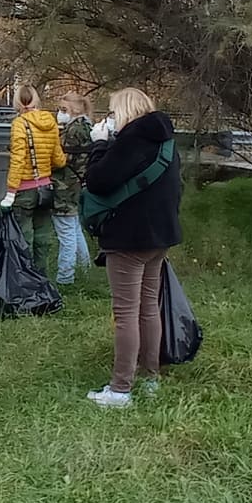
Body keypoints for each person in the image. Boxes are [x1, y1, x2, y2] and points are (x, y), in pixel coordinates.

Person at [83, 88, 182, 408]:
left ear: (123, 111)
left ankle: (120, 389)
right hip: (160, 236)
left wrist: (98, 145)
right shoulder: (165, 140)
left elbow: (98, 180)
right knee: (148, 307)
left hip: (128, 238)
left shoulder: (131, 139)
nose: (111, 119)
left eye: (112, 112)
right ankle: (150, 377)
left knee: (126, 313)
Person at [0, 84, 66, 273]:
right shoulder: (50, 121)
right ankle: (42, 277)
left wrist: (11, 191)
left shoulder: (20, 123)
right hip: (45, 188)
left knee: (24, 236)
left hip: (25, 190)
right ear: (36, 100)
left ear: (17, 102)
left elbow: (18, 160)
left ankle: (24, 278)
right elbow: (59, 160)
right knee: (43, 237)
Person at [52, 92, 94, 285]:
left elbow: (59, 157)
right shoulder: (88, 126)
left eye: (63, 109)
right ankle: (85, 271)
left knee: (66, 235)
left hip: (64, 187)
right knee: (75, 230)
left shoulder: (72, 131)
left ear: (73, 109)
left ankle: (65, 278)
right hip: (77, 185)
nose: (60, 114)